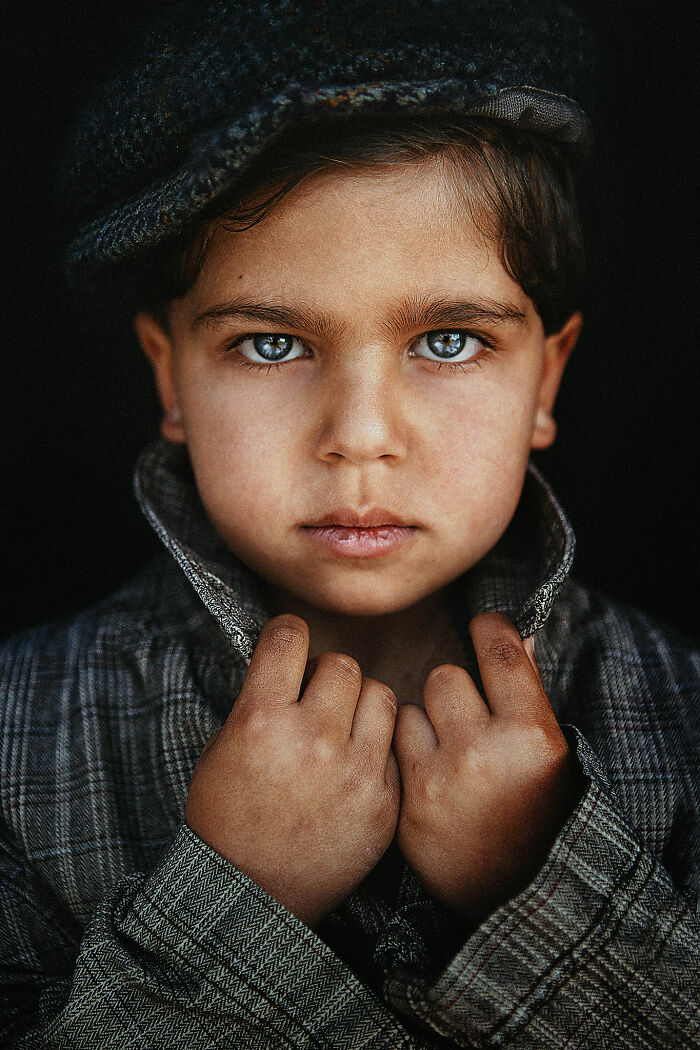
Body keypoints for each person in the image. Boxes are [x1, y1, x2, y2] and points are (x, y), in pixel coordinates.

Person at [0, 1, 697, 1047]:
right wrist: (236, 902)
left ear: (546, 380)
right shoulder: (15, 747)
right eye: (272, 345)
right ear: (169, 375)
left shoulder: (684, 715)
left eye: (449, 341)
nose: (361, 437)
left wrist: (539, 882)